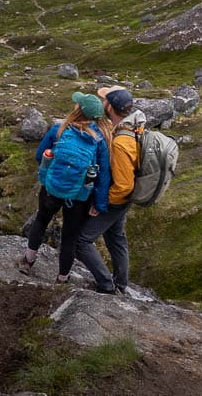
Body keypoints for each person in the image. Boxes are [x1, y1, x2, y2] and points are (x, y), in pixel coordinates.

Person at [16, 92, 111, 283]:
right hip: (79, 196)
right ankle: (62, 278)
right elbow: (103, 175)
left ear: (79, 110)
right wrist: (99, 204)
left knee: (41, 221)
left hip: (52, 187)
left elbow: (39, 155)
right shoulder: (99, 139)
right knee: (70, 237)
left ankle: (27, 261)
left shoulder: (59, 129)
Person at [74, 86, 138, 294]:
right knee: (116, 238)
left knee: (81, 242)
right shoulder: (133, 127)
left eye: (104, 100)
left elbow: (123, 185)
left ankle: (106, 285)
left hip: (117, 199)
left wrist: (101, 204)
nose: (102, 102)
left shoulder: (120, 143)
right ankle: (121, 283)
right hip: (126, 198)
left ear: (110, 107)